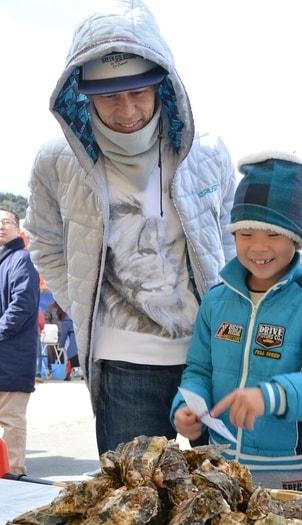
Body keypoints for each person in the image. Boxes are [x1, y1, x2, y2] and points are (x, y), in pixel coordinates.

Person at [25, 0, 236, 455]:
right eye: (109, 96)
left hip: (209, 354)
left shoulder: (208, 151)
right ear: (81, 95)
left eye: (139, 92)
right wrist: (84, 300)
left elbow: (229, 238)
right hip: (123, 361)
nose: (127, 111)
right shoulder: (56, 161)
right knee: (133, 508)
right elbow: (44, 243)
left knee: (221, 503)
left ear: (165, 84)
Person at [171, 152, 302, 494]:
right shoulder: (217, 299)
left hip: (291, 479)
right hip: (220, 471)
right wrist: (187, 406)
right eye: (246, 233)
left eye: (273, 234)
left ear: (295, 238)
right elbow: (198, 370)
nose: (258, 247)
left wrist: (273, 396)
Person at [0, 209, 39, 474]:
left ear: (17, 228)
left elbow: (22, 305)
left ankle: (14, 474)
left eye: (6, 222)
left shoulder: (22, 259)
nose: (1, 227)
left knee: (11, 418)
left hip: (13, 356)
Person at [58, 312, 81, 381]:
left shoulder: (67, 319)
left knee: (71, 356)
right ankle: (85, 374)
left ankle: (68, 374)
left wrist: (61, 345)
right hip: (84, 340)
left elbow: (63, 334)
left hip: (74, 341)